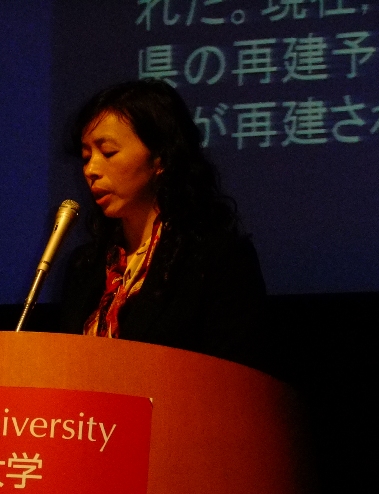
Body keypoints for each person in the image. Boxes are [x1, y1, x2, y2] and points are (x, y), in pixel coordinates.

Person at [59, 80, 266, 368]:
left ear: (160, 159)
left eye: (108, 153)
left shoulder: (217, 259)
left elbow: (234, 376)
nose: (91, 170)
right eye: (86, 157)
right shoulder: (85, 266)